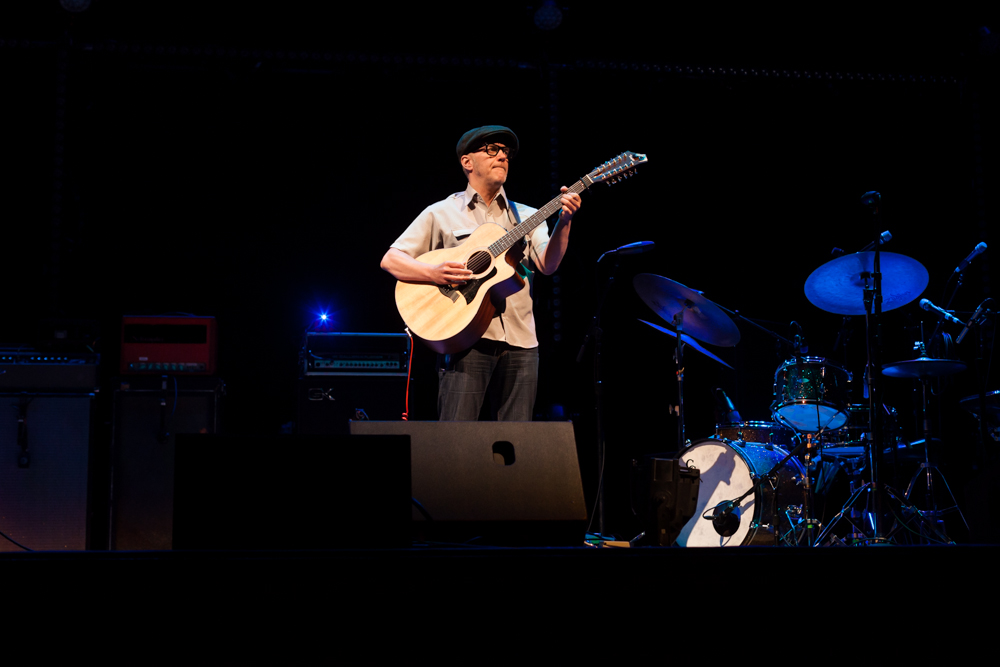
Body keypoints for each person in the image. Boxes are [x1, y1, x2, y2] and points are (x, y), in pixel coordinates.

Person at [380, 125, 581, 421]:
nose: (502, 156)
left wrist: (565, 221)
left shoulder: (527, 215)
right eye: (492, 149)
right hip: (464, 338)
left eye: (506, 152)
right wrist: (433, 273)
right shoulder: (441, 212)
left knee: (516, 444)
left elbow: (548, 265)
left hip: (521, 341)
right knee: (456, 441)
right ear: (467, 162)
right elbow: (391, 260)